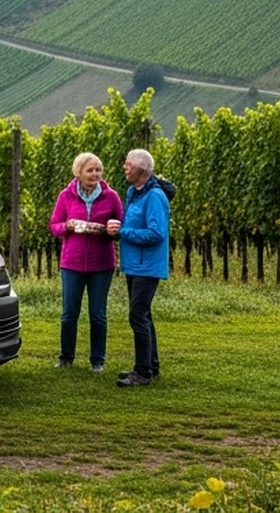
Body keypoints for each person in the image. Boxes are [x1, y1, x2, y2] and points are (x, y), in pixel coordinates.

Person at [48, 152, 122, 371]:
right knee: (69, 313)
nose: (95, 174)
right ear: (79, 172)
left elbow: (121, 224)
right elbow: (55, 226)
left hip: (102, 263)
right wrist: (68, 226)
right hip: (72, 263)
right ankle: (66, 357)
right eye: (90, 170)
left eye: (98, 170)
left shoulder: (111, 197)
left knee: (98, 314)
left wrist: (113, 228)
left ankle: (97, 360)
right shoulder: (65, 196)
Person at [108, 147, 169, 387]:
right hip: (135, 265)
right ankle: (151, 365)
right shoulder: (134, 192)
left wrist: (123, 232)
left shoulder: (154, 197)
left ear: (142, 170)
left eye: (129, 164)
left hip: (147, 266)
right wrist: (118, 228)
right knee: (143, 314)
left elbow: (156, 233)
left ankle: (143, 372)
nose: (125, 167)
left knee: (137, 315)